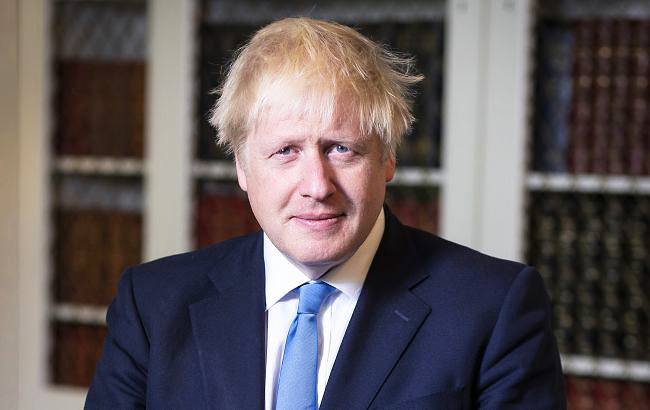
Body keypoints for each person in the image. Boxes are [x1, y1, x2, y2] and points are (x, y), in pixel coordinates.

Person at [86, 17, 565, 409]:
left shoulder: (494, 308)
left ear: (388, 159)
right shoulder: (152, 305)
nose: (317, 187)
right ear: (242, 167)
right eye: (286, 151)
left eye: (341, 148)